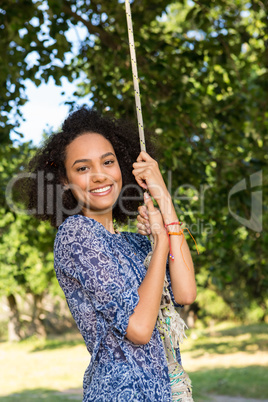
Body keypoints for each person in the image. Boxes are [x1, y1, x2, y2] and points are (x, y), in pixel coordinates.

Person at [24, 107, 197, 401]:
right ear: (63, 180)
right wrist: (161, 245)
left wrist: (163, 195)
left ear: (122, 166)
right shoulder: (76, 234)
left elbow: (186, 292)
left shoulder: (134, 242)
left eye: (108, 162)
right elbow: (139, 329)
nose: (99, 176)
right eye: (82, 168)